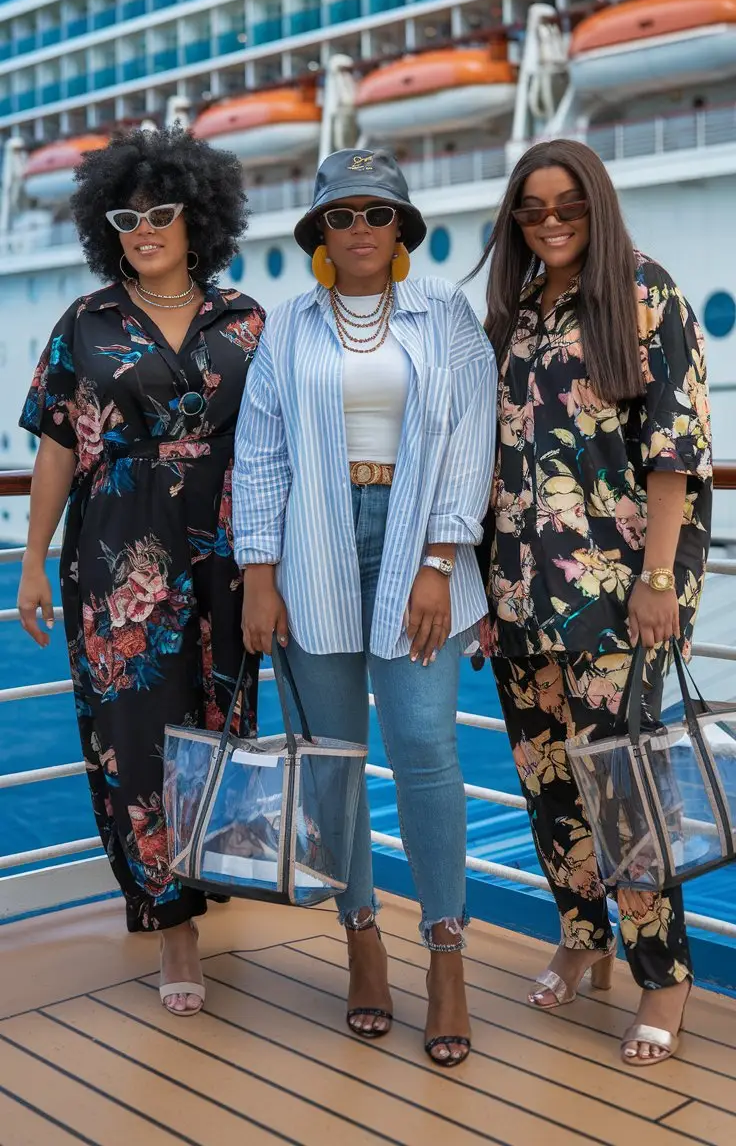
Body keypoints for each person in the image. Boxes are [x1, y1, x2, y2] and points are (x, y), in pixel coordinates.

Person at [233, 147, 496, 1068]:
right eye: (340, 215)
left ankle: (447, 955)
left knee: (426, 748)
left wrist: (440, 559)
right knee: (334, 761)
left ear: (401, 228)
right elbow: (260, 454)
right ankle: (361, 940)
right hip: (313, 541)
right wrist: (258, 572)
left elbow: (470, 441)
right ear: (319, 231)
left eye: (377, 213)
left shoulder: (445, 312)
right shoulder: (290, 326)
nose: (359, 229)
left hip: (419, 537)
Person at [17, 127, 264, 1017]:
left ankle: (210, 874)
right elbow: (57, 447)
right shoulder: (84, 323)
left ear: (199, 216)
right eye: (126, 218)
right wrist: (33, 561)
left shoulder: (247, 320)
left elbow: (276, 447)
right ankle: (172, 927)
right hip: (121, 558)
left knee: (220, 721)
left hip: (229, 558)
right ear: (106, 229)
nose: (145, 229)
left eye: (161, 212)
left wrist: (276, 570)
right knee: (138, 733)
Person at [476, 138, 711, 1066]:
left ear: (596, 204)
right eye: (532, 209)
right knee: (548, 783)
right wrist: (480, 588)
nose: (551, 221)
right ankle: (583, 938)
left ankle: (665, 976)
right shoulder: (515, 312)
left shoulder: (646, 292)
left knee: (624, 791)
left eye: (567, 204)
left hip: (617, 596)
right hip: (519, 592)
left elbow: (674, 449)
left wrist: (658, 581)